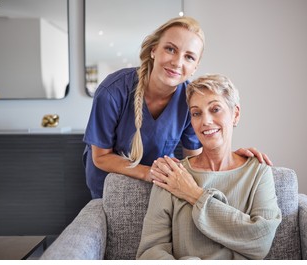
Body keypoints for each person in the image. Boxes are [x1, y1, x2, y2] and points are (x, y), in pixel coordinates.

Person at [83, 16, 272, 199]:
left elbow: (196, 157)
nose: (177, 62)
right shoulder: (112, 91)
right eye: (170, 49)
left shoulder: (191, 100)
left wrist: (234, 159)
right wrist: (148, 173)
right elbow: (100, 157)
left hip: (160, 184)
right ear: (154, 50)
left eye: (189, 57)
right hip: (112, 183)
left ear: (195, 67)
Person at [136, 74, 282, 260]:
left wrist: (194, 194)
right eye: (197, 113)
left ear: (235, 114)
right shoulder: (172, 175)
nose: (205, 121)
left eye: (215, 109)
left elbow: (261, 241)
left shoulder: (258, 172)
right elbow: (149, 253)